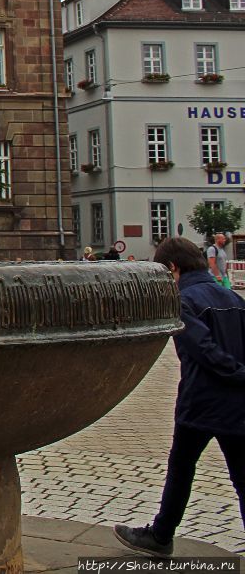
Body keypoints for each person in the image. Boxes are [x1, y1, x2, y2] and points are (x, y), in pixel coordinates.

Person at [113, 236, 245, 558]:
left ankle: (160, 535)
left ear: (173, 267)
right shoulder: (233, 297)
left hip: (201, 401)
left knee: (182, 466)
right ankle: (160, 533)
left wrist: (236, 372)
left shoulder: (183, 300)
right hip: (238, 403)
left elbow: (202, 350)